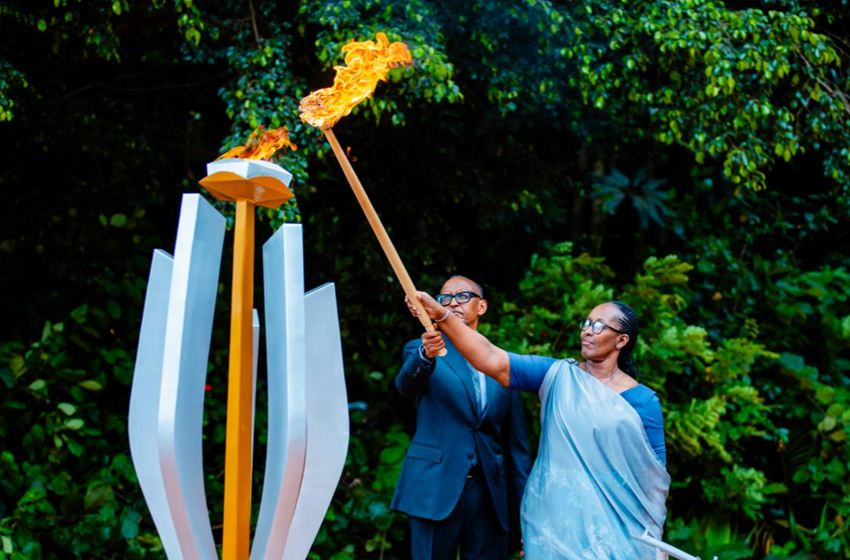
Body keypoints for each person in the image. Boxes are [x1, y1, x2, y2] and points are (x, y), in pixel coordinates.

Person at [407, 294, 670, 560]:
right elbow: (490, 357)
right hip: (555, 521)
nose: (588, 331)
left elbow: (653, 481)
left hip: (614, 526)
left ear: (621, 340)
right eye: (586, 323)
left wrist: (655, 542)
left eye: (599, 325)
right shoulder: (557, 376)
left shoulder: (642, 402)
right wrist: (441, 314)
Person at [391, 276, 531, 560]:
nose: (453, 303)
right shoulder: (423, 348)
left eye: (463, 296)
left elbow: (516, 450)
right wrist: (426, 354)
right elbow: (406, 386)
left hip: (489, 495)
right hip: (435, 488)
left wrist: (525, 515)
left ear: (482, 307)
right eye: (445, 298)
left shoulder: (503, 363)